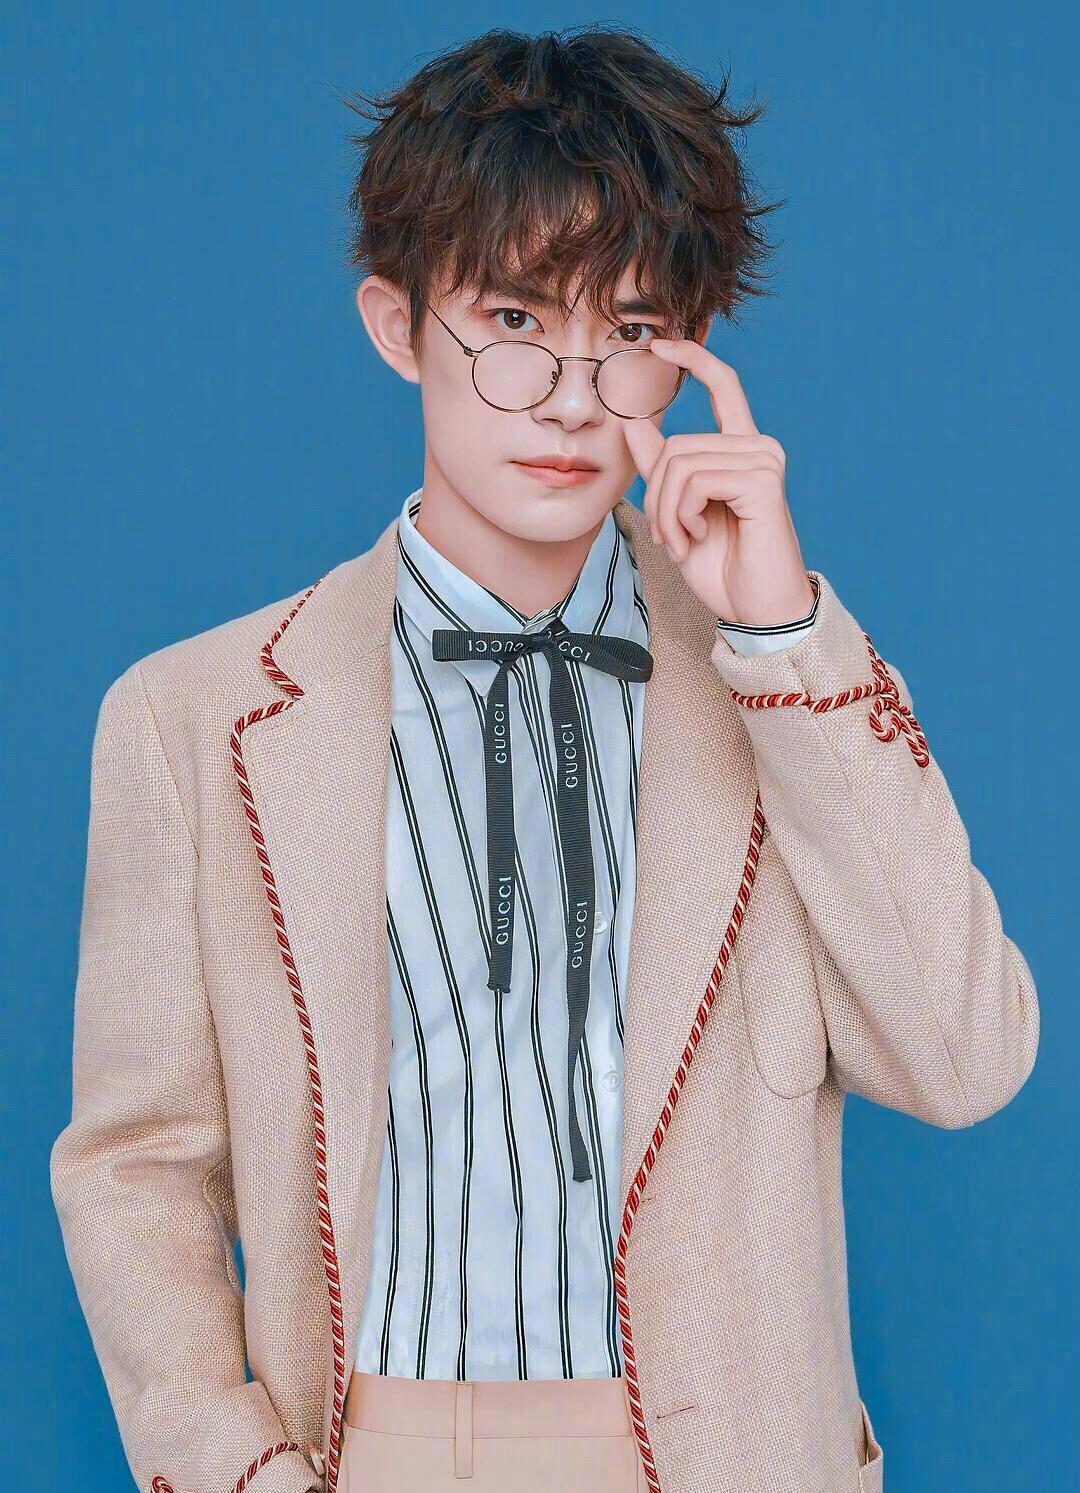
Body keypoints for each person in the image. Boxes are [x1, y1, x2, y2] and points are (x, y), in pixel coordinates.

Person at [50, 25, 1039, 1493]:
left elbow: (963, 1059)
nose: (575, 396)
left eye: (632, 332)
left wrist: (781, 640)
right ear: (397, 326)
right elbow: (135, 1165)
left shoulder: (780, 681)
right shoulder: (189, 718)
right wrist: (237, 1469)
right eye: (513, 319)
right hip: (370, 1449)